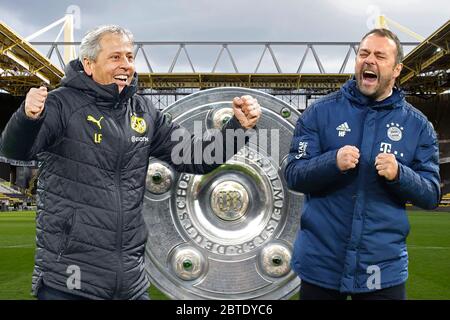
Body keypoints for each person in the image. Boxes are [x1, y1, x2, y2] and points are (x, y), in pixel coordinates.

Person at [0, 25, 261, 300]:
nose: (126, 65)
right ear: (89, 64)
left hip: (130, 282)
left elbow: (196, 156)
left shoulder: (144, 111)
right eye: (115, 57)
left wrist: (237, 129)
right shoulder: (60, 105)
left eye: (129, 57)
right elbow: (16, 150)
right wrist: (27, 118)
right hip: (70, 280)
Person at [284, 28, 440, 300]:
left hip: (383, 272)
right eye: (363, 53)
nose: (369, 60)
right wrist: (331, 162)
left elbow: (431, 195)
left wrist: (400, 174)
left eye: (380, 56)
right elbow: (294, 174)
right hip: (320, 268)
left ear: (396, 70)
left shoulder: (418, 126)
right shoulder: (320, 112)